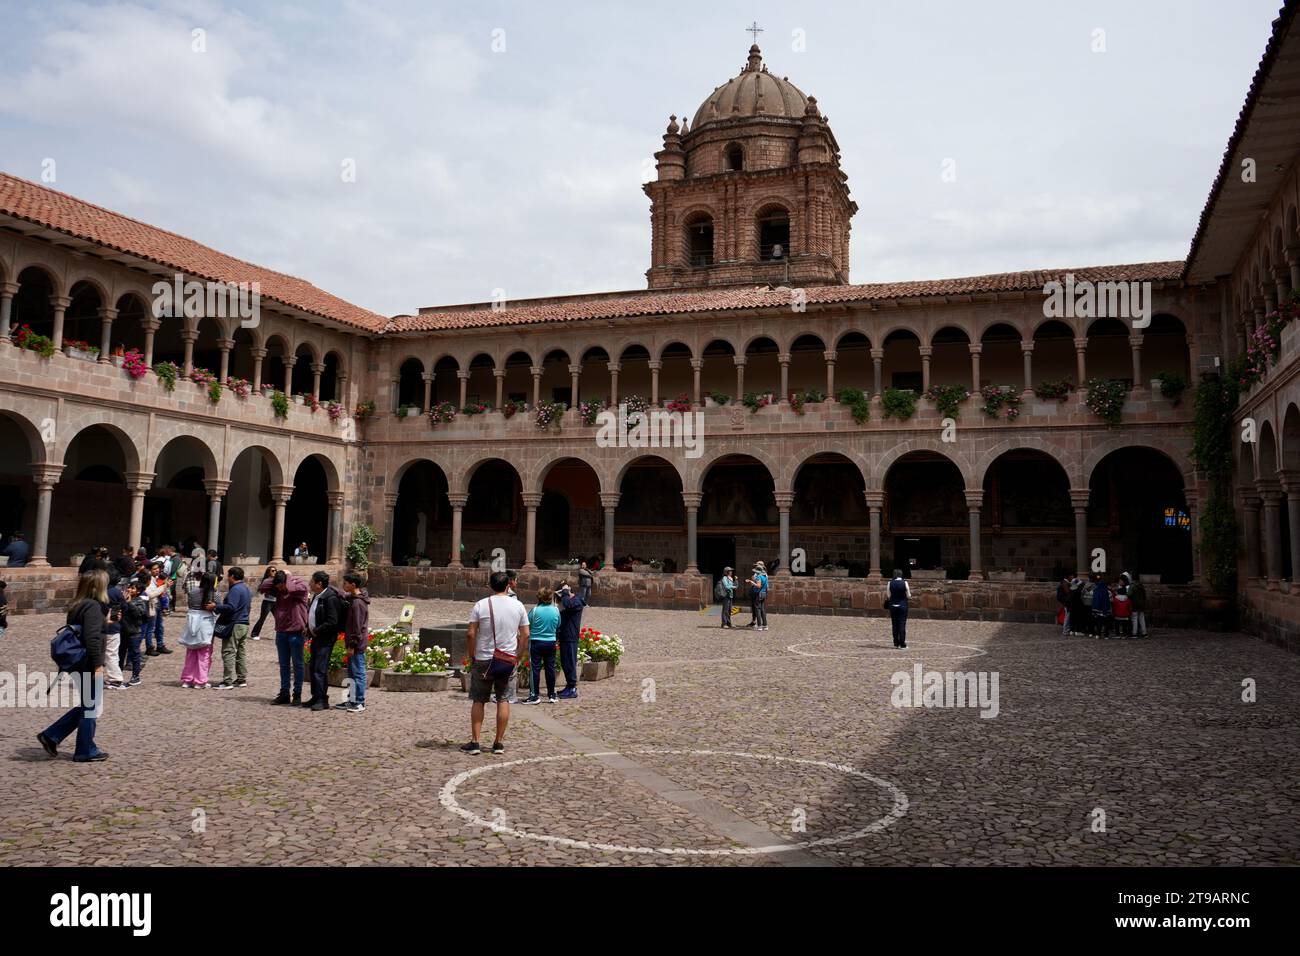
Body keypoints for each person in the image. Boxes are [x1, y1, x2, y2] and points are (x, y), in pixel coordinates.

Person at [37, 570, 109, 762]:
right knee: (91, 707)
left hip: (77, 663)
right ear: (98, 587)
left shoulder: (77, 605)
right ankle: (85, 750)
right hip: (87, 663)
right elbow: (91, 638)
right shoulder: (93, 606)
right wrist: (98, 665)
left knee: (88, 704)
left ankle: (52, 735)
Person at [461, 570, 530, 755]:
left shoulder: (481, 605)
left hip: (484, 658)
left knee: (478, 700)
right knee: (504, 699)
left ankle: (475, 742)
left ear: (490, 586)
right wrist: (518, 655)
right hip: (507, 659)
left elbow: (470, 633)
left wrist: (472, 655)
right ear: (508, 585)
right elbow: (526, 635)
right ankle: (498, 743)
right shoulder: (518, 606)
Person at [261, 570, 310, 705]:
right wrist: (278, 577)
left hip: (296, 631)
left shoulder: (298, 585)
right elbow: (263, 586)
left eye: (281, 586)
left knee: (298, 665)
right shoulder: (278, 589)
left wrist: (287, 578)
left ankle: (297, 694)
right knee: (284, 665)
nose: (280, 589)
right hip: (281, 631)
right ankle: (284, 693)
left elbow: (303, 588)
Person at [303, 571, 345, 711]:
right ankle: (315, 696)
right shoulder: (317, 596)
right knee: (313, 667)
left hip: (325, 639)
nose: (310, 584)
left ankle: (322, 699)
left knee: (320, 669)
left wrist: (318, 629)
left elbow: (333, 621)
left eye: (312, 581)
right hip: (316, 637)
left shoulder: (330, 598)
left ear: (319, 584)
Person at [213, 567, 252, 689]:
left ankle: (227, 681)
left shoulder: (235, 590)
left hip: (235, 623)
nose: (227, 578)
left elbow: (231, 607)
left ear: (233, 576)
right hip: (244, 623)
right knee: (240, 652)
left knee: (228, 652)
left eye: (228, 576)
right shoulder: (246, 589)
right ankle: (241, 679)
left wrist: (216, 606)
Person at [179, 572, 218, 688]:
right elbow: (218, 608)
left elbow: (190, 605)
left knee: (191, 651)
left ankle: (188, 679)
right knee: (204, 653)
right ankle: (201, 680)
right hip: (206, 623)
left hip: (192, 622)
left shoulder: (192, 592)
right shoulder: (215, 594)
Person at [339, 571, 370, 713]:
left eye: (345, 583)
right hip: (353, 642)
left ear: (353, 585)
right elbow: (344, 594)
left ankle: (359, 701)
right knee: (351, 673)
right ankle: (351, 700)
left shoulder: (357, 603)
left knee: (358, 673)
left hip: (357, 644)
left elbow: (357, 627)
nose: (343, 585)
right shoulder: (353, 598)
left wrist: (352, 644)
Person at [523, 587, 560, 704]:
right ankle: (552, 694)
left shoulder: (534, 611)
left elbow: (527, 625)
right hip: (551, 642)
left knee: (535, 669)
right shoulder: (556, 610)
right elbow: (558, 625)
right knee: (550, 668)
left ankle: (534, 695)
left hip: (536, 642)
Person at [555, 582, 586, 699]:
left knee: (570, 662)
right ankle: (569, 686)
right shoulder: (568, 601)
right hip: (564, 636)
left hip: (571, 637)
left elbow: (568, 604)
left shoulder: (576, 601)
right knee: (565, 662)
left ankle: (572, 687)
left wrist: (564, 592)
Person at [115, 577, 146, 686]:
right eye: (129, 587)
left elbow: (139, 614)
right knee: (120, 654)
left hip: (134, 632)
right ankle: (117, 676)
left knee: (134, 654)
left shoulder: (140, 601)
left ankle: (136, 676)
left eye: (132, 588)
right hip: (123, 630)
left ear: (138, 591)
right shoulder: (123, 599)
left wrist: (129, 603)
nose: (129, 590)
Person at [142, 562, 173, 655]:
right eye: (154, 569)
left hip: (159, 604)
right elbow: (151, 594)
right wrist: (165, 586)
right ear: (150, 570)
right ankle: (149, 647)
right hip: (152, 605)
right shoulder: (148, 579)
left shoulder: (159, 578)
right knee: (151, 628)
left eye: (157, 568)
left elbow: (164, 591)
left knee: (160, 627)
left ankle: (160, 645)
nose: (157, 570)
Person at [250, 565, 278, 641]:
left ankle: (281, 634)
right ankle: (254, 634)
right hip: (268, 601)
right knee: (262, 618)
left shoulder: (278, 580)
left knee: (279, 618)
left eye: (275, 570)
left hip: (276, 602)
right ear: (268, 572)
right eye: (272, 571)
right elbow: (261, 590)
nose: (274, 572)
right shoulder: (266, 581)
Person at [886, 568, 911, 648]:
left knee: (894, 624)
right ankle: (902, 644)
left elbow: (888, 595)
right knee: (902, 624)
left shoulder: (890, 582)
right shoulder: (905, 582)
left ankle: (896, 643)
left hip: (893, 605)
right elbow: (909, 595)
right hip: (902, 605)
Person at [745, 562, 769, 630]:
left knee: (758, 610)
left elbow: (758, 585)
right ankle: (765, 625)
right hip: (763, 593)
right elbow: (767, 587)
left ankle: (759, 625)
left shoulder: (759, 576)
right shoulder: (765, 576)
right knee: (762, 610)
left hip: (758, 594)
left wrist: (751, 582)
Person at [1090, 573, 1113, 639]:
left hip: (1098, 610)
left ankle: (1098, 634)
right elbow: (1111, 599)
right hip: (1106, 609)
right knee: (1106, 623)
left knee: (1099, 622)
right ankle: (1106, 635)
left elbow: (1093, 598)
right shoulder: (1108, 592)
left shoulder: (1096, 590)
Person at [1128, 573, 1149, 638]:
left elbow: (1129, 594)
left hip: (1134, 604)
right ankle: (1144, 633)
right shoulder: (1141, 585)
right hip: (1141, 604)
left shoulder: (1132, 586)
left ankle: (1134, 633)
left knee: (1134, 619)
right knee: (1142, 619)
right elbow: (1144, 595)